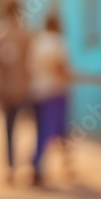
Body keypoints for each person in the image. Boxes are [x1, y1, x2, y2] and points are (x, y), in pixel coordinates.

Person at [27, 14, 72, 186]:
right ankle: (36, 165)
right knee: (51, 131)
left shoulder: (37, 43)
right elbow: (61, 68)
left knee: (44, 131)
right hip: (54, 92)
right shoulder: (58, 43)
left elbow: (30, 67)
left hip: (37, 91)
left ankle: (60, 164)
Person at [0, 0, 33, 184]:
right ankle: (35, 165)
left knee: (9, 130)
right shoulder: (27, 36)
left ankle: (11, 168)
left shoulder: (2, 37)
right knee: (35, 127)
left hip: (8, 91)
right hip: (27, 89)